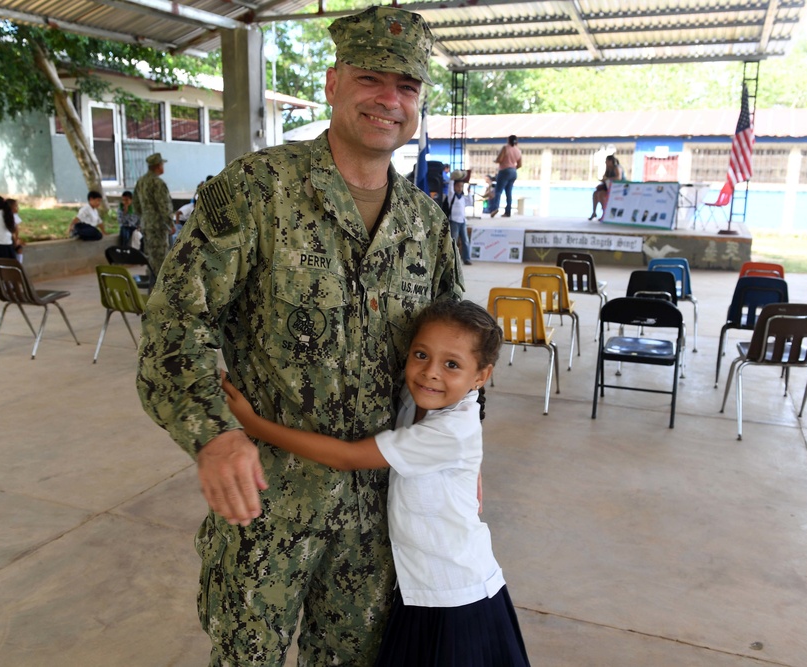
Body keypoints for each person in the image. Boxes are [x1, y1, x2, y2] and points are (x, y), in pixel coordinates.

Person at [136, 6, 463, 665]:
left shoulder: (426, 224)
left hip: (377, 515)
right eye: (373, 79)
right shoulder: (257, 191)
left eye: (408, 88)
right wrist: (213, 434)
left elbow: (462, 355)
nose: (390, 101)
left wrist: (459, 458)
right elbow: (175, 322)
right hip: (266, 505)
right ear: (332, 83)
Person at [222, 300, 529, 665]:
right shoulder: (414, 399)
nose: (430, 372)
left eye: (452, 365)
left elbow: (348, 457)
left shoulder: (451, 430)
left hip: (455, 595)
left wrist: (254, 426)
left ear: (481, 375)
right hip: (420, 590)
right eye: (420, 354)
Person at [133, 153, 173, 273]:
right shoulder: (158, 183)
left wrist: (144, 217)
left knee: (150, 255)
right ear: (158, 166)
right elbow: (164, 206)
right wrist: (170, 223)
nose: (163, 167)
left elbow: (135, 203)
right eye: (162, 164)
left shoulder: (141, 182)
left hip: (147, 224)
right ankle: (159, 286)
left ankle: (151, 282)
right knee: (160, 257)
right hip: (158, 226)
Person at [441, 170, 474, 265]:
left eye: (461, 186)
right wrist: (452, 179)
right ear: (454, 187)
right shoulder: (452, 196)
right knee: (454, 241)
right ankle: (452, 259)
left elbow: (470, 202)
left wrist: (469, 193)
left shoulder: (463, 197)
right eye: (458, 186)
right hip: (454, 221)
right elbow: (450, 189)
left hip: (462, 221)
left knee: (465, 241)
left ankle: (466, 258)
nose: (460, 188)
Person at [489, 135, 521, 218]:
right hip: (513, 172)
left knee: (498, 191)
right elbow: (520, 164)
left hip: (504, 171)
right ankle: (508, 212)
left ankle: (495, 208)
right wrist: (512, 168)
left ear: (508, 140)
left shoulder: (505, 148)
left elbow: (500, 159)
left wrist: (495, 160)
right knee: (509, 192)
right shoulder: (518, 150)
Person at [590, 154, 625, 220]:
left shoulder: (617, 167)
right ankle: (594, 212)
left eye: (606, 161)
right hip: (610, 187)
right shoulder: (608, 169)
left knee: (601, 194)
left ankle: (604, 214)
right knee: (595, 193)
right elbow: (605, 178)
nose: (605, 163)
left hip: (618, 188)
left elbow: (618, 178)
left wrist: (608, 179)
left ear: (610, 161)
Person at [6, 198, 25, 263]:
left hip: (11, 238)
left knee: (19, 249)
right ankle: (19, 266)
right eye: (16, 206)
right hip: (9, 239)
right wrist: (16, 240)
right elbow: (15, 230)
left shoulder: (14, 215)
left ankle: (19, 265)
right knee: (18, 249)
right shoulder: (12, 216)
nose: (17, 208)